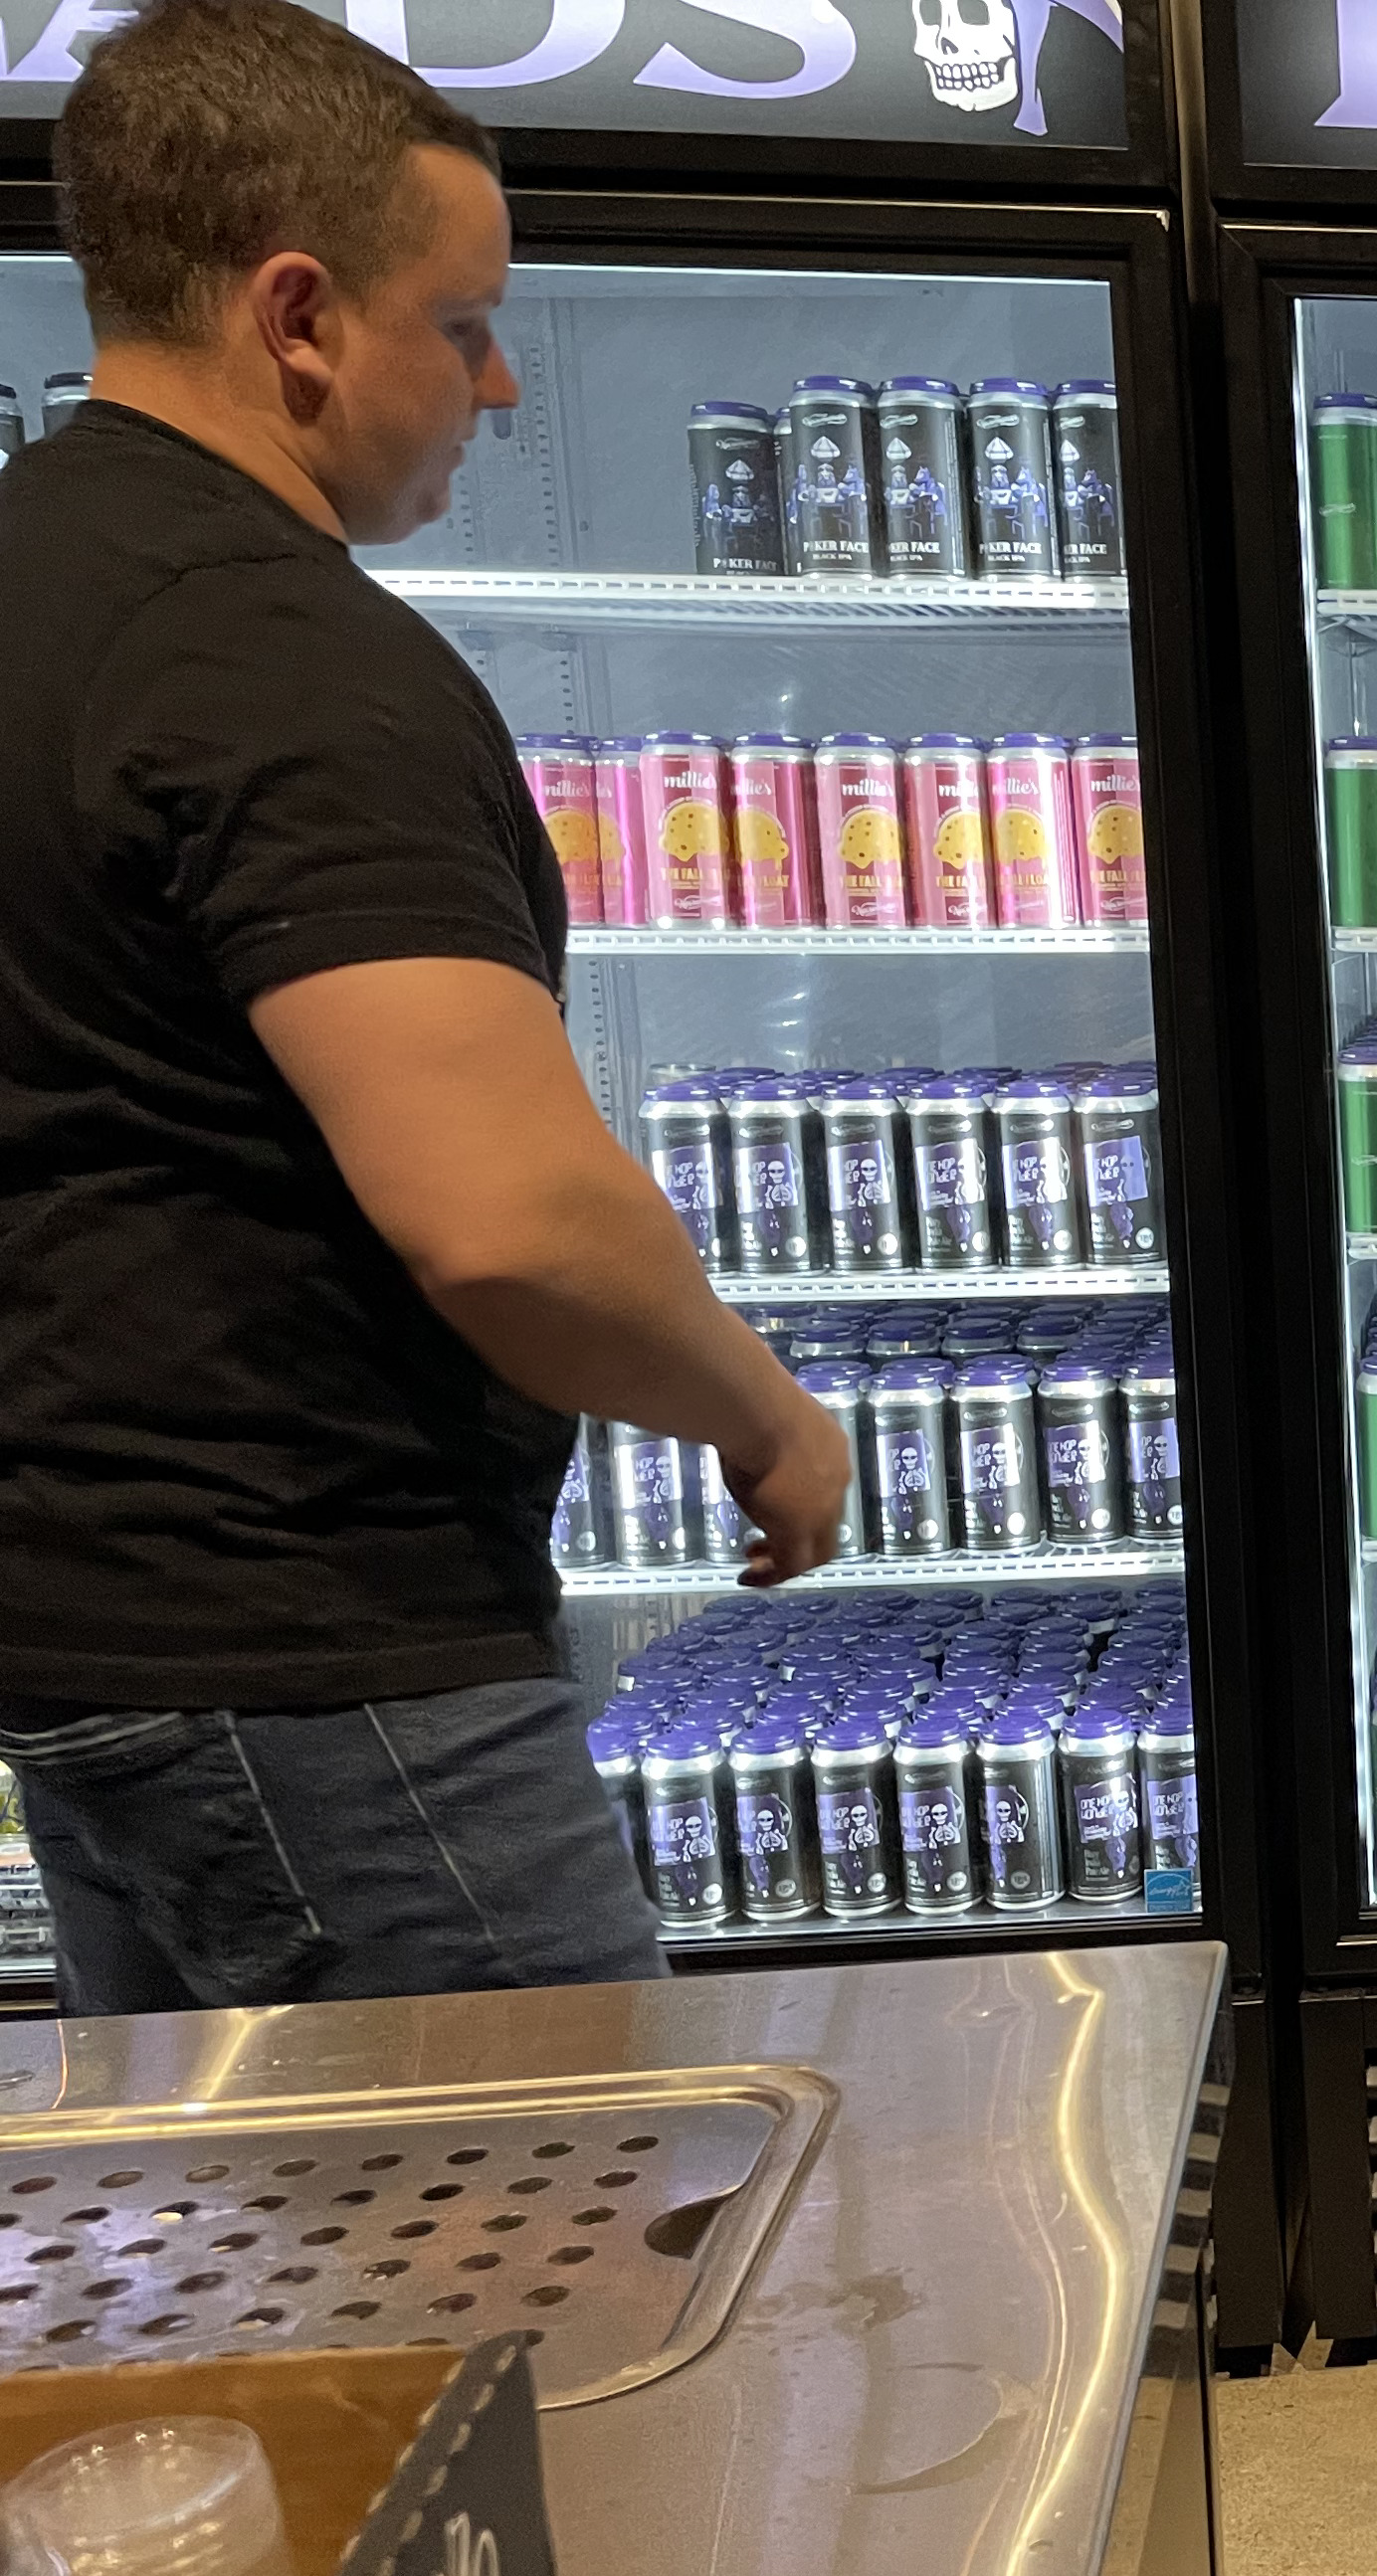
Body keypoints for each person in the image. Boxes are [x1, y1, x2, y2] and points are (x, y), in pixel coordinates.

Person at [0, 0, 852, 2013]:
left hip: (90, 1627)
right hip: (324, 1653)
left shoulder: (36, 579)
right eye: (461, 320)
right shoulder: (277, 654)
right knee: (557, 2245)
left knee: (276, 2259)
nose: (500, 381)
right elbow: (511, 1220)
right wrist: (768, 1416)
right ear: (298, 317)